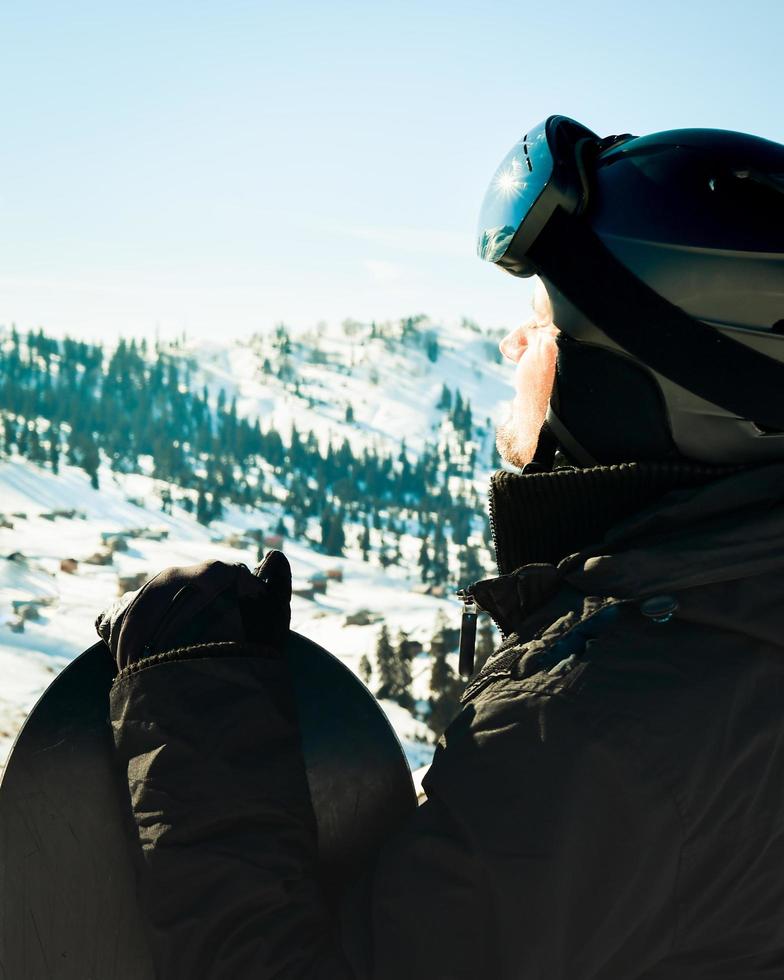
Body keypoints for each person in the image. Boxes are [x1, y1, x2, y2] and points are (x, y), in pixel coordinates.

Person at [99, 116, 784, 978]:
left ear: (638, 380)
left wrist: (189, 693)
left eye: (540, 323)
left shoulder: (607, 730)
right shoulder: (737, 636)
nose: (511, 345)